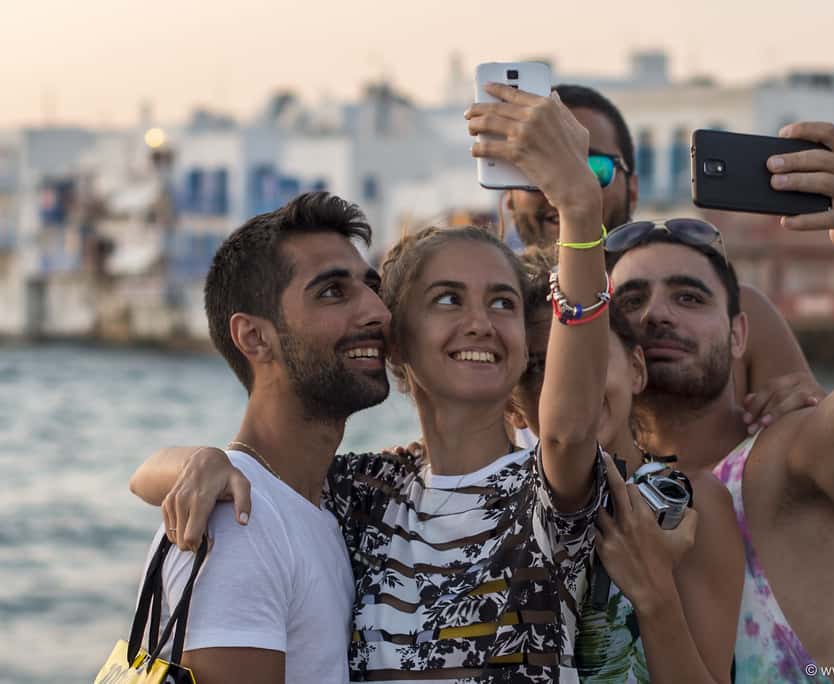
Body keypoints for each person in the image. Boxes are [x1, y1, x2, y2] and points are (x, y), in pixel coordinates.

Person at [131, 83, 619, 683]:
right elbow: (201, 479)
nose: (480, 323)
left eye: (503, 303)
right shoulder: (367, 491)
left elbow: (568, 430)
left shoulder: (545, 488)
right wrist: (199, 462)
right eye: (447, 300)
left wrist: (580, 208)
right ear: (397, 340)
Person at [603, 122, 834, 680]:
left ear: (738, 335)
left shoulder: (785, 465)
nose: (656, 314)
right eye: (632, 300)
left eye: (688, 297)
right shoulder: (589, 482)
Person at [127, 192, 391, 683]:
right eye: (333, 292)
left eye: (371, 287)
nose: (378, 311)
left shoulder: (314, 507)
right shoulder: (240, 525)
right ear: (254, 337)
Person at [505, 83, 829, 444]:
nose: (563, 186)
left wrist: (806, 407)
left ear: (633, 190)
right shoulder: (493, 318)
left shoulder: (737, 310)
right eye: (539, 171)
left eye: (594, 169)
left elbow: (830, 464)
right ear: (507, 196)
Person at [509, 246, 743, 683]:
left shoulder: (690, 506)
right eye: (539, 368)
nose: (572, 389)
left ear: (636, 369)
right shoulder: (497, 507)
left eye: (591, 356)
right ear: (513, 406)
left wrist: (654, 593)